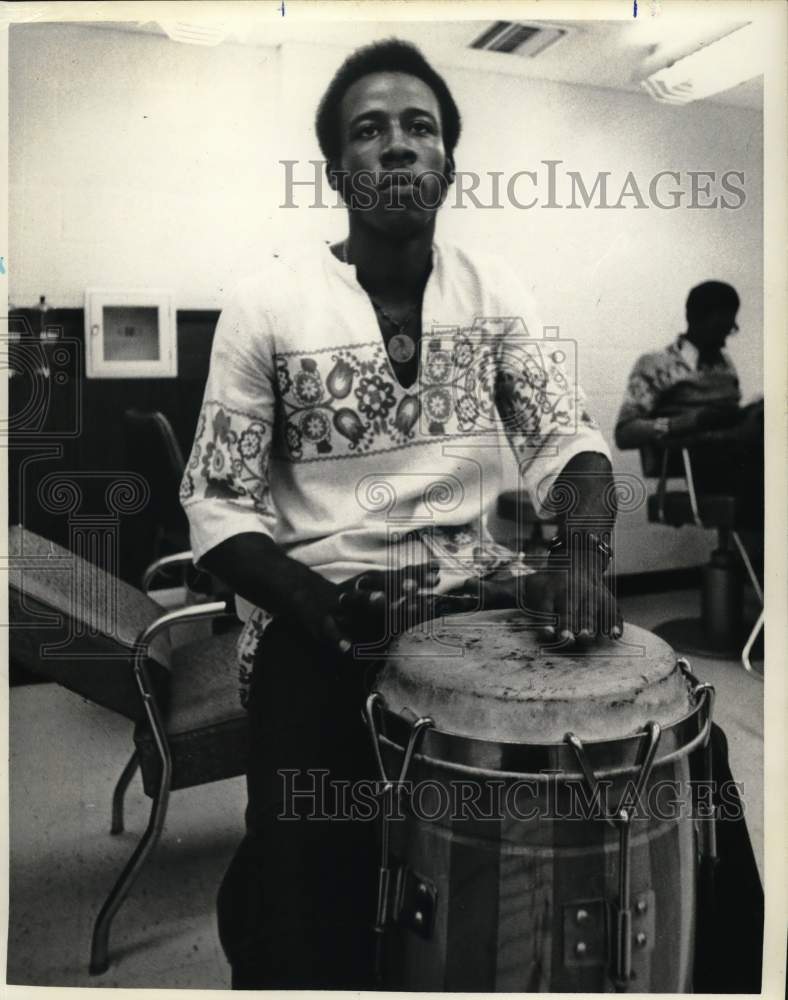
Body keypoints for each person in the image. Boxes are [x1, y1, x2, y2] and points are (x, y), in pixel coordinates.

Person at [180, 42, 759, 990]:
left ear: (448, 160)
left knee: (686, 753)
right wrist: (323, 607)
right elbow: (215, 501)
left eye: (421, 128)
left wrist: (579, 552)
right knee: (305, 847)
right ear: (335, 169)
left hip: (477, 597)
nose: (399, 147)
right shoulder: (266, 303)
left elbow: (570, 441)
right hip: (322, 612)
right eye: (371, 131)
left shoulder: (494, 296)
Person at [614, 280, 763, 528]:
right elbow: (624, 433)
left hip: (735, 452)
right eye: (723, 325)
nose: (729, 332)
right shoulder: (656, 364)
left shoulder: (723, 365)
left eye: (731, 325)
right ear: (695, 318)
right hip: (695, 457)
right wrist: (685, 422)